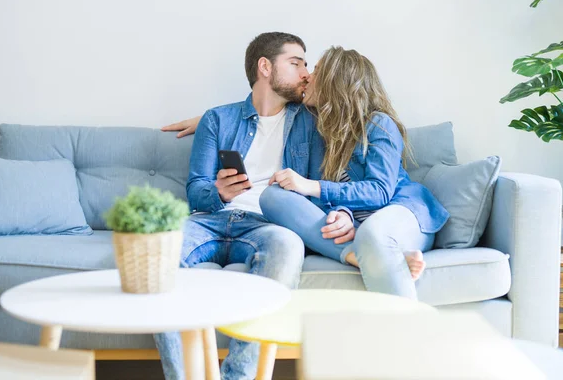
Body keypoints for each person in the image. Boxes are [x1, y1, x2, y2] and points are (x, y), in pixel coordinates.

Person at [162, 47, 449, 301]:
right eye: (299, 65)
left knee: (373, 235)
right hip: (359, 221)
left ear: (335, 81)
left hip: (399, 209)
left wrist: (315, 189)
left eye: (315, 70)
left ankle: (406, 333)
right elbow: (258, 110)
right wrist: (210, 120)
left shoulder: (377, 125)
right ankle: (371, 256)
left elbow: (378, 191)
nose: (308, 76)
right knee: (274, 196)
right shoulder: (324, 126)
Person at [155, 33, 356, 380]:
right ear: (265, 66)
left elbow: (328, 185)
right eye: (296, 63)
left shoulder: (312, 123)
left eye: (307, 65)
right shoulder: (218, 119)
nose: (306, 73)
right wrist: (220, 192)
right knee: (157, 254)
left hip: (268, 224)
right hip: (210, 220)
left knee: (289, 246)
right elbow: (195, 190)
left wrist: (345, 213)